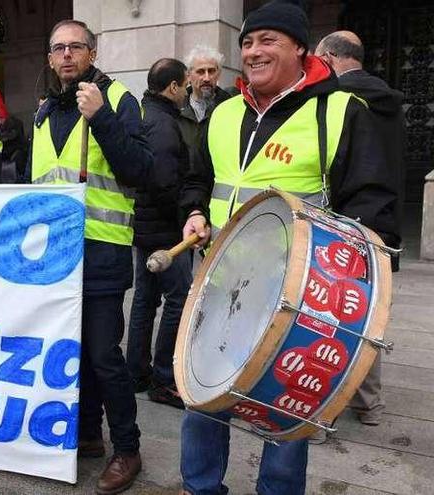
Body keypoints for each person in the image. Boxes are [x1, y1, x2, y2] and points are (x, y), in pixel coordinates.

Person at [178, 2, 398, 494]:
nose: (253, 52)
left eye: (268, 40)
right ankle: (200, 486)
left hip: (298, 290)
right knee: (202, 393)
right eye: (248, 42)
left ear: (300, 47)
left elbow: (373, 207)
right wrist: (193, 212)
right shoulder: (223, 111)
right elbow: (198, 179)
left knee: (287, 400)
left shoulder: (339, 110)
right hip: (220, 277)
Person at [31, 19, 153, 494]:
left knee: (104, 355)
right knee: (71, 352)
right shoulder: (43, 110)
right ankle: (86, 436)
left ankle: (128, 447)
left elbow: (141, 170)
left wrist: (101, 117)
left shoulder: (119, 99)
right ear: (49, 57)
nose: (66, 56)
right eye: (58, 48)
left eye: (75, 47)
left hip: (102, 252)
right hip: (52, 257)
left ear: (93, 52)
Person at [316, 30, 405, 426]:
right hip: (384, 224)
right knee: (370, 314)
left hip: (343, 223)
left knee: (331, 317)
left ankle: (325, 409)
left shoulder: (336, 102)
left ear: (331, 57)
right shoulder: (391, 102)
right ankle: (369, 405)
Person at [126, 58, 190, 410]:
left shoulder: (144, 114)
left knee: (144, 299)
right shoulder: (164, 124)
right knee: (179, 297)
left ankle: (136, 371)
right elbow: (165, 182)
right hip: (165, 229)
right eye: (186, 85)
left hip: (145, 226)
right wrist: (183, 220)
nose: (187, 92)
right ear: (173, 87)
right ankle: (164, 378)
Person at [177, 45, 232, 150]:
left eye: (211, 71)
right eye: (200, 72)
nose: (207, 78)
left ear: (218, 74)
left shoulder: (229, 107)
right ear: (188, 75)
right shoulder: (176, 108)